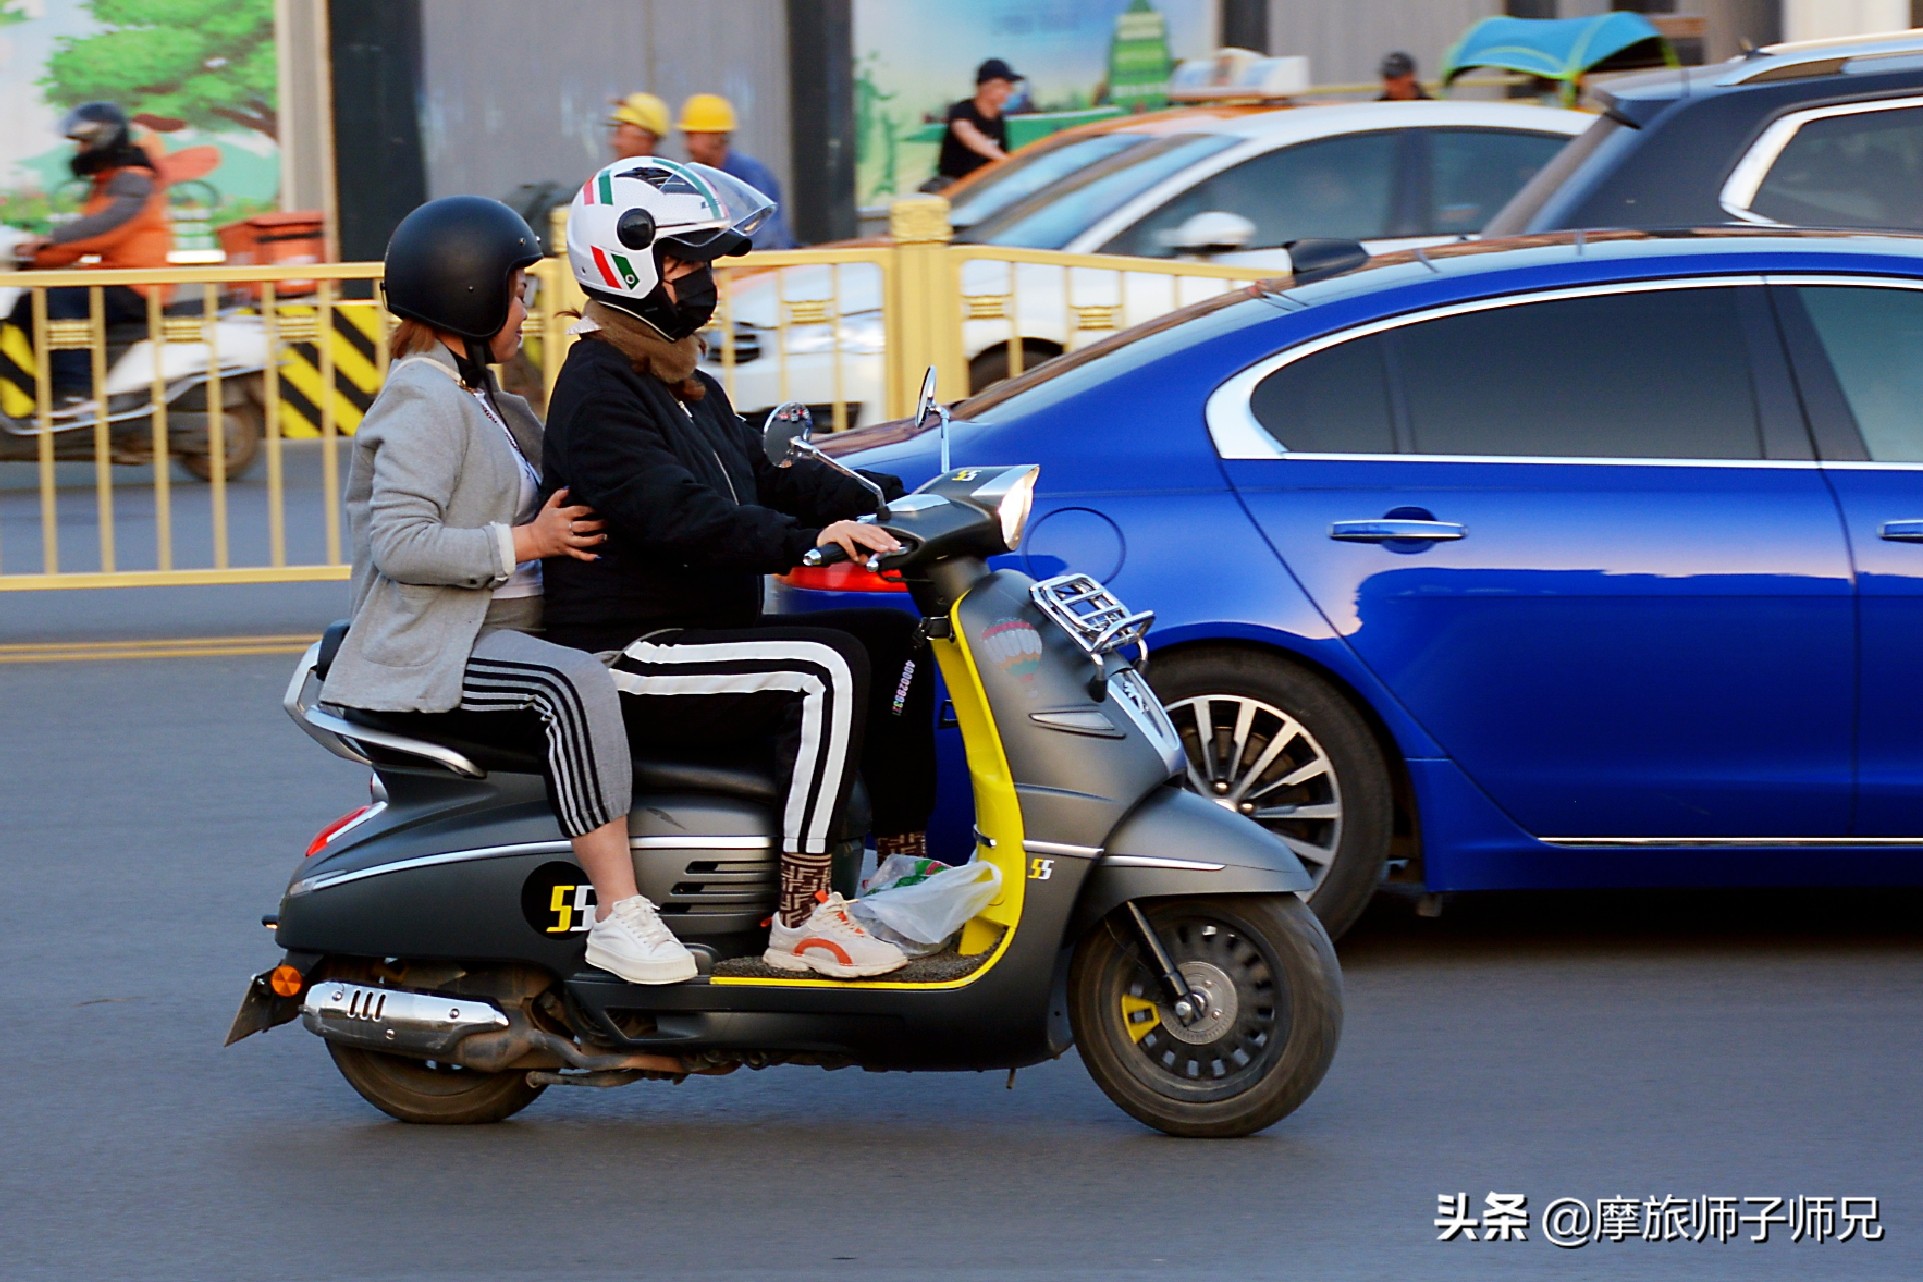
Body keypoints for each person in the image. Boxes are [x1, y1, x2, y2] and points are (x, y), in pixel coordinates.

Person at [543, 158, 938, 979]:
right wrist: (803, 542)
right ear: (631, 262)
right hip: (635, 653)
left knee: (897, 643)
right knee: (825, 666)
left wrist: (884, 498)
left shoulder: (682, 378)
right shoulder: (598, 391)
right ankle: (802, 915)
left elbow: (766, 470)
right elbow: (680, 515)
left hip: (706, 635)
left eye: (709, 261)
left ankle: (898, 869)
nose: (707, 279)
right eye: (690, 260)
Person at [319, 195, 700, 988]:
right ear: (470, 293)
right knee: (575, 682)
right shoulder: (423, 397)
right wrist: (525, 541)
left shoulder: (481, 398)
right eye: (518, 291)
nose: (527, 308)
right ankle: (621, 914)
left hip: (506, 628)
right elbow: (398, 542)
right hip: (447, 641)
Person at [9, 103, 172, 417]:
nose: (80, 150)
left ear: (104, 140)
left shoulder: (133, 179)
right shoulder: (107, 182)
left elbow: (107, 226)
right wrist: (29, 261)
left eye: (84, 142)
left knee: (54, 302)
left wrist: (49, 240)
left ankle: (76, 393)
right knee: (24, 306)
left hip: (137, 286)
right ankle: (50, 391)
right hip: (112, 280)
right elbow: (81, 244)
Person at [676, 93, 797, 248]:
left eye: (692, 136)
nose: (687, 146)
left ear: (717, 137)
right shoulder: (697, 179)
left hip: (761, 268)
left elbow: (765, 236)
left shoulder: (750, 175)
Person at [936, 58, 1022, 185]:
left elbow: (1003, 153)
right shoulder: (962, 110)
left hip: (982, 186)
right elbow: (965, 132)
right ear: (986, 86)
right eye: (1004, 86)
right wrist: (1003, 159)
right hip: (954, 186)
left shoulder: (998, 118)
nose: (1009, 91)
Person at [608, 92, 669, 161]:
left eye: (621, 135)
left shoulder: (665, 171)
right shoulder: (617, 170)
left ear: (646, 140)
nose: (615, 143)